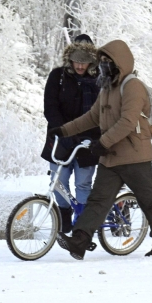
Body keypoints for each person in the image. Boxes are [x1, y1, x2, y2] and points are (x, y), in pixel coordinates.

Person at [54, 40, 152, 259]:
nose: (103, 66)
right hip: (111, 158)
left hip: (134, 156)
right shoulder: (107, 88)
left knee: (149, 199)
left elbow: (128, 121)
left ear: (120, 63)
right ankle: (79, 240)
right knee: (98, 200)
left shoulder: (133, 86)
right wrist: (64, 130)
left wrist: (102, 143)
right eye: (101, 62)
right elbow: (92, 117)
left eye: (107, 62)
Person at [42, 34, 101, 233]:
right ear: (70, 58)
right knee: (57, 181)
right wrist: (63, 130)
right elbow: (50, 107)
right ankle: (64, 214)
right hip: (61, 138)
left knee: (83, 184)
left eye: (85, 63)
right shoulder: (57, 76)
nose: (80, 67)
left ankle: (82, 224)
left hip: (88, 139)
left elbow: (103, 111)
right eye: (77, 61)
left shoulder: (100, 80)